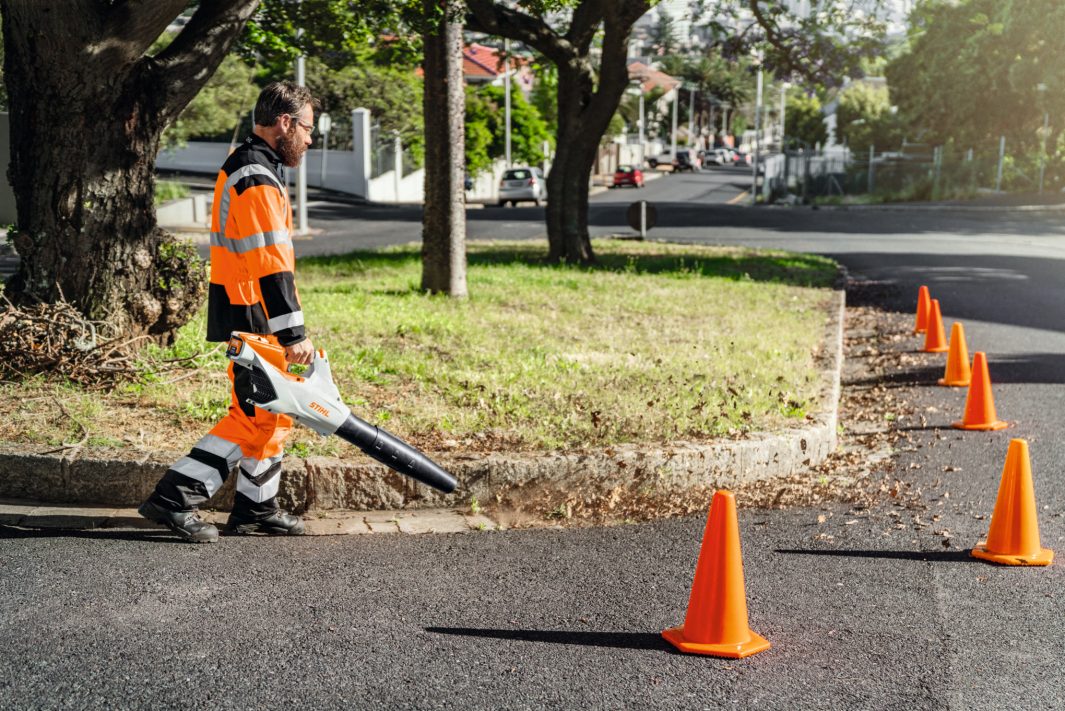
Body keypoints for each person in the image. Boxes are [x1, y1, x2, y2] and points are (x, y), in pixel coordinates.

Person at [139, 82, 318, 543]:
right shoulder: (255, 174)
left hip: (250, 307)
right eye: (308, 128)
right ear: (285, 123)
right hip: (253, 310)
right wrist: (293, 332)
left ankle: (257, 509)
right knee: (254, 416)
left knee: (271, 412)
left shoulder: (256, 167)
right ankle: (174, 497)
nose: (310, 139)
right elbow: (269, 260)